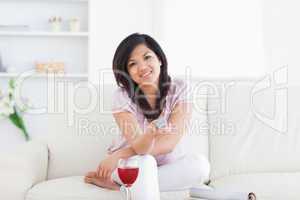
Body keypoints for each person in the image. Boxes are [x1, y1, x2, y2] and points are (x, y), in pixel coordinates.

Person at [84, 33, 210, 198]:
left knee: (200, 166)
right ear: (126, 72)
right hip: (133, 166)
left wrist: (119, 154)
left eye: (147, 57)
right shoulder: (121, 96)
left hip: (165, 166)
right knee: (147, 161)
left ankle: (122, 187)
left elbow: (169, 143)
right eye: (133, 64)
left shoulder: (180, 88)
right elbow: (140, 147)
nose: (142, 67)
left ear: (160, 59)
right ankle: (128, 184)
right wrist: (127, 154)